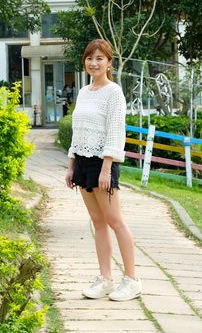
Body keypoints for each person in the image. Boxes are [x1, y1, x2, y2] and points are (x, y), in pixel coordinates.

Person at [64, 39, 141, 302]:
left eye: (100, 58)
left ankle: (131, 280)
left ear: (109, 63)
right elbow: (78, 131)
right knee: (98, 222)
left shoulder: (114, 92)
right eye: (89, 58)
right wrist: (71, 164)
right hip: (83, 163)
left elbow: (116, 132)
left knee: (114, 220)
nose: (93, 63)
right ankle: (105, 279)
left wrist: (107, 168)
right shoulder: (84, 92)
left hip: (103, 163)